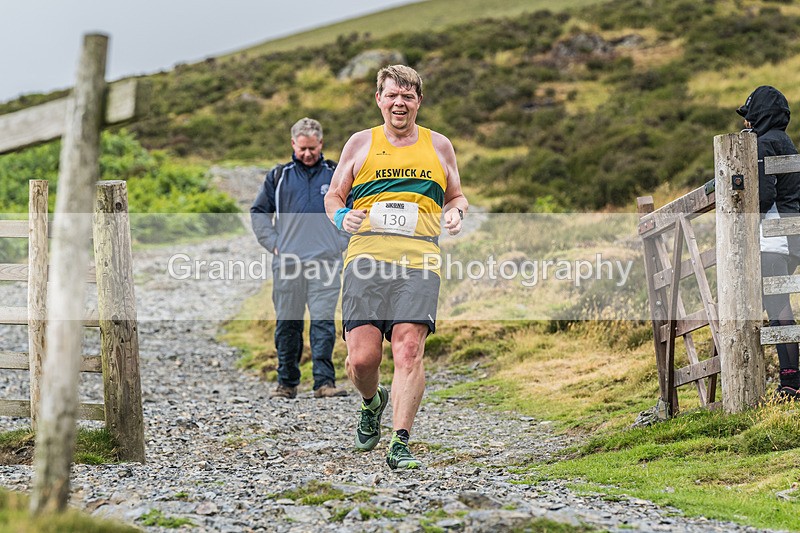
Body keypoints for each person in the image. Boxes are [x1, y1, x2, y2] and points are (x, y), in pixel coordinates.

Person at [324, 65, 468, 469]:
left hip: (420, 259)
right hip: (365, 258)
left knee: (408, 350)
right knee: (362, 360)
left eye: (407, 96)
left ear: (419, 101)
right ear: (379, 99)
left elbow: (456, 196)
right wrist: (342, 217)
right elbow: (334, 197)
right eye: (392, 95)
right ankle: (372, 402)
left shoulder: (439, 145)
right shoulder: (360, 143)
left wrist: (455, 213)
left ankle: (400, 442)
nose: (399, 103)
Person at [251, 117, 350, 399]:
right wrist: (273, 244)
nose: (307, 154)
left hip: (326, 263)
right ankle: (286, 383)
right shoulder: (278, 176)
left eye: (312, 148)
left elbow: (353, 209)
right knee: (287, 324)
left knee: (323, 322)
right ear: (293, 144)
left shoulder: (336, 174)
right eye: (302, 148)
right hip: (287, 264)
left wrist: (340, 241)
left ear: (321, 144)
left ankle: (324, 383)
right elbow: (259, 212)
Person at [738, 85, 800, 399]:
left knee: (778, 308)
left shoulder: (763, 144)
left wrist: (745, 225)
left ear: (761, 115)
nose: (746, 122)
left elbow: (763, 195)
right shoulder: (786, 142)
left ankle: (791, 383)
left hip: (774, 239)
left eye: (750, 116)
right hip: (791, 237)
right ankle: (790, 380)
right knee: (777, 305)